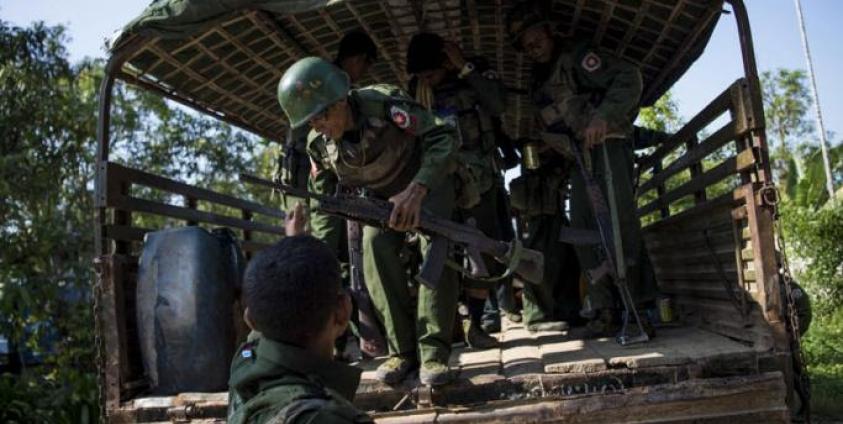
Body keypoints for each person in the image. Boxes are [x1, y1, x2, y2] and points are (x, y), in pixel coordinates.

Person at [277, 57, 461, 386]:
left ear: (341, 99)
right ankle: (402, 353)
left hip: (426, 183)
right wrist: (319, 256)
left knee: (435, 247)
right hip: (381, 200)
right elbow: (324, 205)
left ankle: (433, 354)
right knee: (373, 245)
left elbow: (443, 136)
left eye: (322, 115)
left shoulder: (384, 106)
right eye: (310, 121)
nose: (318, 125)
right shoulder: (318, 147)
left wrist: (418, 190)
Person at [506, 0, 653, 337]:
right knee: (585, 230)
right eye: (526, 46)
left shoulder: (578, 57)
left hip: (608, 147)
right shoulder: (539, 80)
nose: (533, 48)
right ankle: (603, 308)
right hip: (578, 159)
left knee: (617, 222)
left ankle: (638, 306)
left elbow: (629, 78)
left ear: (548, 30)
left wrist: (603, 117)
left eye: (536, 39)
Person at [405, 32, 509, 347]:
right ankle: (446, 325)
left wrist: (466, 69)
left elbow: (498, 103)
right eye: (422, 76)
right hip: (439, 182)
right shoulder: (417, 91)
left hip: (480, 179)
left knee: (482, 250)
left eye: (432, 73)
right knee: (438, 252)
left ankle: (476, 325)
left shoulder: (475, 73)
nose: (428, 80)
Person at [227, 235, 372, 424]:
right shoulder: (328, 419)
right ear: (343, 310)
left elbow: (255, 337)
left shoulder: (244, 362)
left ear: (250, 321)